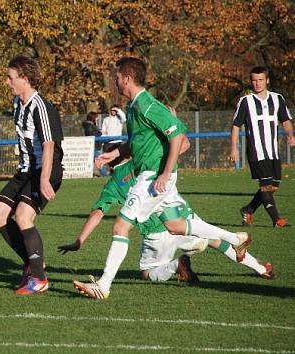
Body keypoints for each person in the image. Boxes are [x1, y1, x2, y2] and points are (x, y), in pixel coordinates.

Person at [80, 57, 251, 300]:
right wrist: (114, 154)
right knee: (176, 225)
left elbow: (177, 134)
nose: (115, 81)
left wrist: (166, 172)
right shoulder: (133, 107)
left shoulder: (147, 105)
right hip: (153, 176)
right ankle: (235, 238)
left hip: (151, 178)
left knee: (120, 226)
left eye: (117, 77)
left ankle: (104, 285)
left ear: (127, 78)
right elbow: (138, 142)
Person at [57, 145, 273, 291]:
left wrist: (80, 241)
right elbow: (183, 144)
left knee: (147, 273)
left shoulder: (113, 184)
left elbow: (97, 213)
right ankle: (260, 268)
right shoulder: (148, 160)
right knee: (217, 241)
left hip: (157, 234)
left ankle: (176, 265)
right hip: (180, 217)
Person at [0, 54, 64, 295]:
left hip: (46, 170)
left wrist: (44, 179)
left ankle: (39, 279)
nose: (7, 82)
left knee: (22, 216)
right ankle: (33, 264)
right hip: (25, 171)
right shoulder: (16, 104)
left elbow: (49, 144)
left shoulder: (40, 106)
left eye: (11, 77)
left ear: (25, 78)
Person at [230, 66, 294, 228]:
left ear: (267, 80)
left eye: (260, 80)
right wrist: (233, 148)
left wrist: (290, 134)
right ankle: (277, 220)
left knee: (273, 187)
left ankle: (248, 209)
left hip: (273, 151)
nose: (257, 83)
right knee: (266, 186)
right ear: (251, 82)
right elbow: (236, 126)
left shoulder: (277, 98)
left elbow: (285, 120)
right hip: (256, 152)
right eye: (254, 80)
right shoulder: (246, 101)